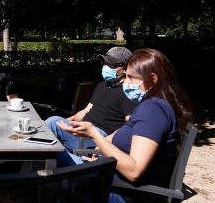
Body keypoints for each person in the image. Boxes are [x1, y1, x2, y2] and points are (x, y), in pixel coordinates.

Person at [56, 48, 194, 202]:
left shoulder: (154, 110)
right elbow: (127, 134)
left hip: (116, 191)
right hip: (105, 174)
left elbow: (134, 171)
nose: (125, 83)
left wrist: (95, 135)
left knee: (46, 168)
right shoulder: (150, 105)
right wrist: (101, 149)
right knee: (48, 161)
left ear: (153, 79)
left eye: (130, 77)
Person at [45, 46, 137, 152]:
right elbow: (85, 111)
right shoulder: (102, 85)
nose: (105, 66)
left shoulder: (129, 92)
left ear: (125, 69)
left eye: (110, 64)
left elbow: (129, 125)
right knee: (53, 124)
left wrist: (107, 140)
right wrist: (66, 121)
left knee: (51, 124)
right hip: (83, 130)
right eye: (104, 63)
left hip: (98, 136)